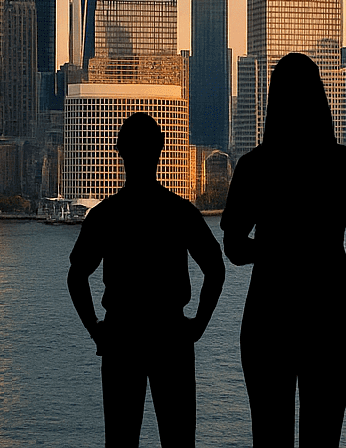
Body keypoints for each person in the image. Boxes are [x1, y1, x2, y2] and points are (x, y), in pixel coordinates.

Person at [221, 52, 346, 447]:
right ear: (321, 99)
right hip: (331, 315)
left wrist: (273, 252)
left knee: (269, 437)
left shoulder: (254, 167)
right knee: (323, 438)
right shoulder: (345, 164)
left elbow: (233, 247)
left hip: (268, 315)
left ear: (274, 102)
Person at [67, 111, 226, 448]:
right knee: (179, 437)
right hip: (171, 335)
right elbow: (216, 268)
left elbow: (77, 276)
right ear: (161, 151)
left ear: (119, 151)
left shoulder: (105, 216)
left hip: (121, 336)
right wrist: (197, 324)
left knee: (121, 439)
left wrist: (95, 327)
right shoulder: (181, 212)